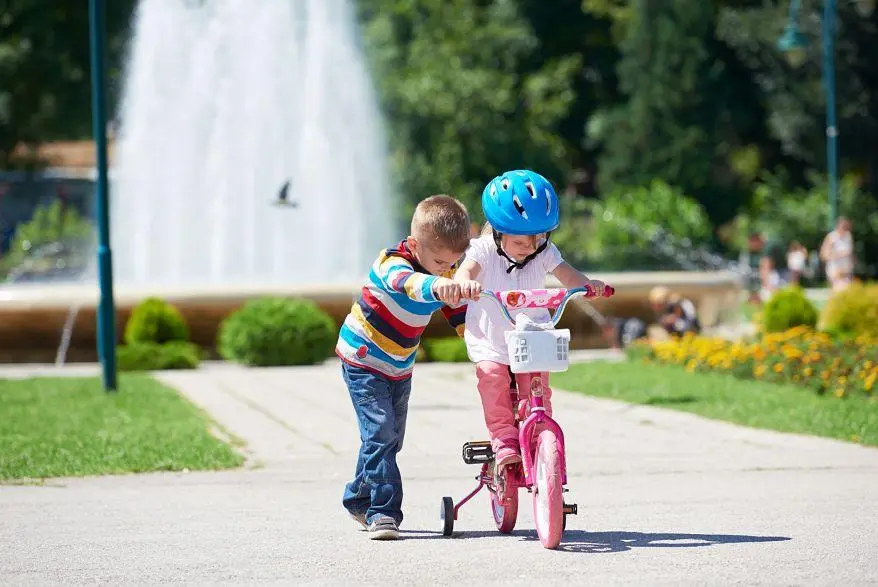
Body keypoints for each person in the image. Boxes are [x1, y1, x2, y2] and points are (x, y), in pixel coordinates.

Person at [336, 194, 478, 540]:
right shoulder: (391, 263)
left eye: (453, 263)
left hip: (399, 365)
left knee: (388, 438)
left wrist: (476, 341)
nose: (447, 268)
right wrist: (438, 284)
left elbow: (457, 313)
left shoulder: (444, 270)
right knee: (381, 432)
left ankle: (358, 496)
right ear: (415, 245)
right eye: (440, 260)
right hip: (364, 360)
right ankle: (383, 513)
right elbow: (410, 284)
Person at [453, 169, 606, 471]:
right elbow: (466, 271)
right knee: (492, 378)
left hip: (531, 333)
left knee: (536, 387)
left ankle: (540, 437)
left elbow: (566, 273)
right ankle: (504, 439)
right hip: (492, 339)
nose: (530, 249)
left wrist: (586, 284)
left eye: (538, 239)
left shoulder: (542, 250)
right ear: (498, 232)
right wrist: (464, 282)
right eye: (521, 242)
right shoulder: (482, 249)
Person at [820, 216, 855, 291]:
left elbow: (850, 253)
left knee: (847, 291)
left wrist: (852, 261)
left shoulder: (848, 236)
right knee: (838, 290)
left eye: (846, 227)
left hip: (846, 269)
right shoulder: (832, 237)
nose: (844, 229)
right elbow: (823, 255)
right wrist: (839, 254)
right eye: (843, 226)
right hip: (835, 269)